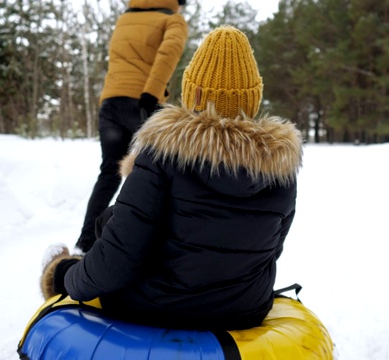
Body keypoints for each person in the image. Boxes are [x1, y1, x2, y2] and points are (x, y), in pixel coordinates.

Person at [41, 26, 303, 331]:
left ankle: (71, 261)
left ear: (193, 93)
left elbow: (118, 261)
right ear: (253, 100)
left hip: (155, 309)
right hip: (242, 312)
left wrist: (64, 277)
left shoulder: (163, 156)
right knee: (117, 219)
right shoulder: (280, 172)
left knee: (114, 224)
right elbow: (270, 251)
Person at [75, 0, 189, 254]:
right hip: (144, 102)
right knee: (159, 176)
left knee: (109, 173)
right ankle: (152, 247)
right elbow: (168, 53)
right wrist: (152, 93)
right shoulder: (173, 20)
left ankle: (85, 243)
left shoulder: (125, 18)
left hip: (111, 102)